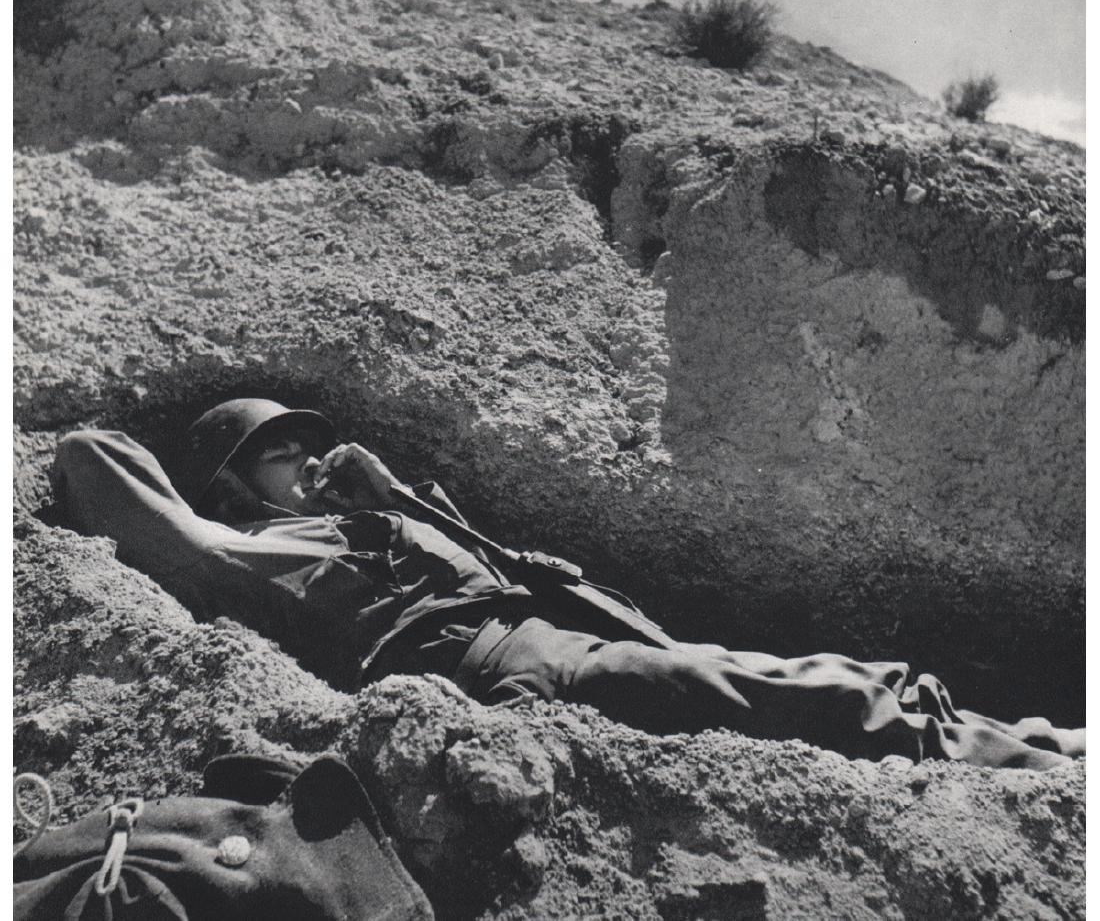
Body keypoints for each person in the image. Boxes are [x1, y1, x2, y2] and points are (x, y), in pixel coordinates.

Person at [51, 398, 1084, 771]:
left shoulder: (365, 511)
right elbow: (98, 460)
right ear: (234, 483)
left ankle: (1036, 738)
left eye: (311, 442)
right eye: (279, 454)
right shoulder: (256, 550)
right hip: (514, 667)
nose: (309, 460)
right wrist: (230, 505)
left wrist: (402, 496)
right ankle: (1035, 764)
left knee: (810, 670)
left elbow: (495, 568)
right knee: (802, 695)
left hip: (554, 628)